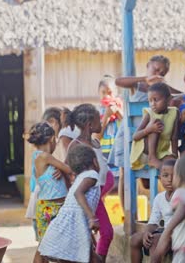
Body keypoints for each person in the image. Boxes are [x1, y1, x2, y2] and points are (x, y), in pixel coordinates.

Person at [112, 55, 175, 210]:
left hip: (149, 142)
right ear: (148, 65)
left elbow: (177, 95)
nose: (159, 73)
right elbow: (118, 81)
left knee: (146, 182)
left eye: (163, 72)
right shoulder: (138, 85)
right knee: (125, 173)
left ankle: (157, 208)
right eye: (156, 69)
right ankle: (126, 212)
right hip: (130, 137)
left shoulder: (162, 90)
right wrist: (145, 78)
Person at [66, 104, 114, 262]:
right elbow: (67, 168)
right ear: (89, 125)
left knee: (97, 235)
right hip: (87, 196)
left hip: (97, 195)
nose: (102, 122)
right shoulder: (76, 145)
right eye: (99, 120)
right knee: (105, 233)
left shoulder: (95, 142)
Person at [38, 144, 101, 263]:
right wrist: (92, 218)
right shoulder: (92, 175)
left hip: (68, 224)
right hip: (74, 224)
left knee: (83, 257)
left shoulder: (80, 177)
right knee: (89, 258)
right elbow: (79, 193)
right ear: (95, 161)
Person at [27, 122, 73, 263]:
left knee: (45, 247)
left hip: (50, 207)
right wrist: (62, 168)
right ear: (52, 139)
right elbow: (69, 169)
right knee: (46, 248)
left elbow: (63, 169)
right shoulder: (45, 157)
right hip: (51, 208)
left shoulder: (40, 157)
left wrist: (59, 169)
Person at [130, 159, 176, 263]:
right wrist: (147, 231)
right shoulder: (159, 198)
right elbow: (153, 221)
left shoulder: (180, 196)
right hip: (165, 232)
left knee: (154, 240)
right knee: (135, 239)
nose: (169, 179)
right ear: (160, 178)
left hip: (177, 234)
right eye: (165, 175)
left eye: (174, 176)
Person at [130, 83, 179, 169]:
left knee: (173, 165)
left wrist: (174, 156)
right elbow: (135, 136)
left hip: (162, 153)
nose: (152, 104)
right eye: (150, 101)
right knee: (155, 124)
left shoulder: (174, 112)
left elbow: (174, 137)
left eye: (156, 100)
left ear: (168, 100)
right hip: (145, 152)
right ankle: (152, 158)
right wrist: (148, 130)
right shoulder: (149, 114)